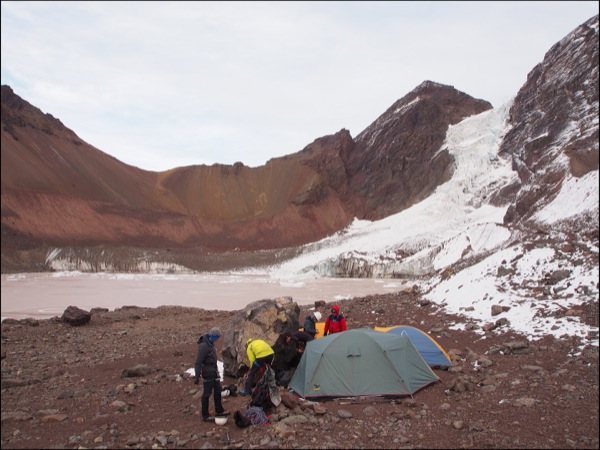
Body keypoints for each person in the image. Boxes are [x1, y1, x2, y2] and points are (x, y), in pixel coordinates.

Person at [194, 326, 230, 422]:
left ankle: (219, 410)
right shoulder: (204, 346)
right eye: (217, 337)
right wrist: (197, 376)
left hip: (214, 371)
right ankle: (205, 415)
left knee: (218, 390)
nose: (218, 339)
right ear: (213, 335)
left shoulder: (211, 343)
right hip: (207, 372)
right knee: (207, 393)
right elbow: (198, 362)